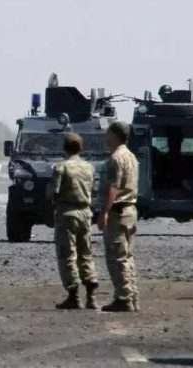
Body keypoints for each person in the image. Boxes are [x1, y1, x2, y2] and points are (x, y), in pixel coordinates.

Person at [46, 133, 97, 310]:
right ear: (80, 148)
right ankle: (91, 295)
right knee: (86, 253)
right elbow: (93, 190)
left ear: (64, 148)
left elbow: (52, 192)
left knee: (67, 254)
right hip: (86, 213)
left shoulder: (61, 167)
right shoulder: (89, 167)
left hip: (67, 213)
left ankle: (73, 295)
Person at [98, 121, 140, 312]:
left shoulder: (116, 158)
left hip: (118, 212)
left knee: (116, 256)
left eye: (108, 133)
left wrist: (104, 212)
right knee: (127, 256)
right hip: (130, 209)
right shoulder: (130, 156)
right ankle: (132, 295)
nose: (106, 137)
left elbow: (112, 188)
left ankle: (124, 298)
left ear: (115, 135)